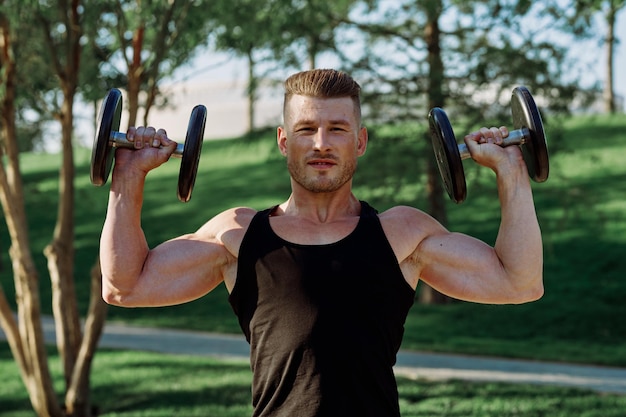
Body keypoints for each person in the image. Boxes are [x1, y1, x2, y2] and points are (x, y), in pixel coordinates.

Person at [100, 69, 544, 416]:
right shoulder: (238, 236)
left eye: (337, 128)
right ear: (282, 140)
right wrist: (127, 177)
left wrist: (511, 171)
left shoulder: (402, 234)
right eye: (306, 128)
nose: (321, 143)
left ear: (361, 141)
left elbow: (519, 283)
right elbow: (125, 286)